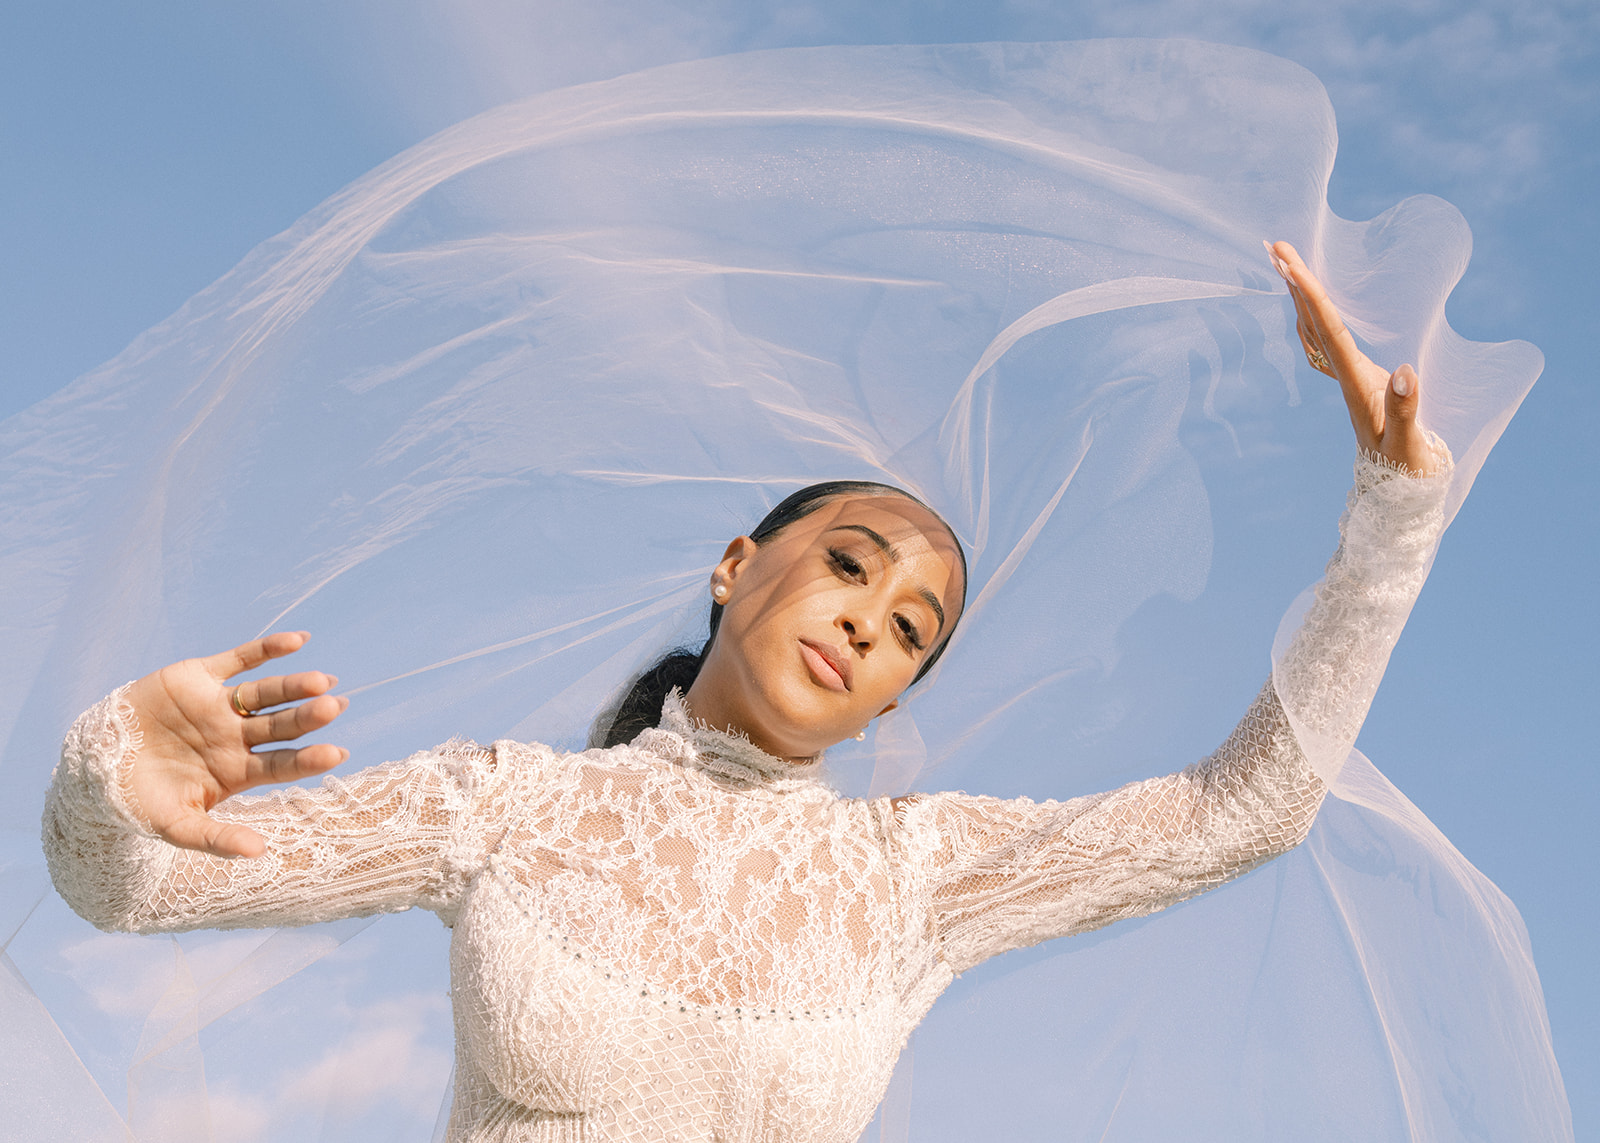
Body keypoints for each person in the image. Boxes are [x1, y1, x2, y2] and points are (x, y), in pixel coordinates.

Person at [10, 40, 1566, 1143]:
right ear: (737, 565)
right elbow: (132, 890)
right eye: (848, 565)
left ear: (903, 695)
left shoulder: (919, 880)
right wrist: (114, 775)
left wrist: (1394, 518)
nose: (864, 625)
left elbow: (1249, 811)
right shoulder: (509, 808)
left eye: (909, 634)